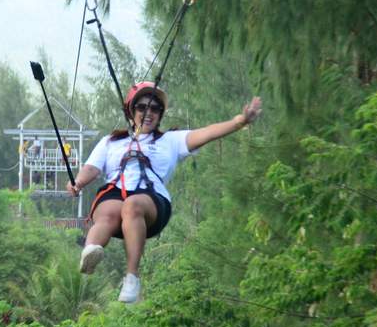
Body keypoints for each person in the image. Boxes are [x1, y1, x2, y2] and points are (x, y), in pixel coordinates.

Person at [68, 81, 261, 303]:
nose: (148, 113)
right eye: (142, 107)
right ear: (131, 112)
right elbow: (92, 168)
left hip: (150, 199)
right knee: (107, 213)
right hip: (115, 190)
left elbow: (207, 133)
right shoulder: (111, 142)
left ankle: (132, 277)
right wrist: (79, 182)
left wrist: (240, 121)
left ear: (160, 115)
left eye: (154, 109)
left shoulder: (170, 141)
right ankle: (91, 251)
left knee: (132, 206)